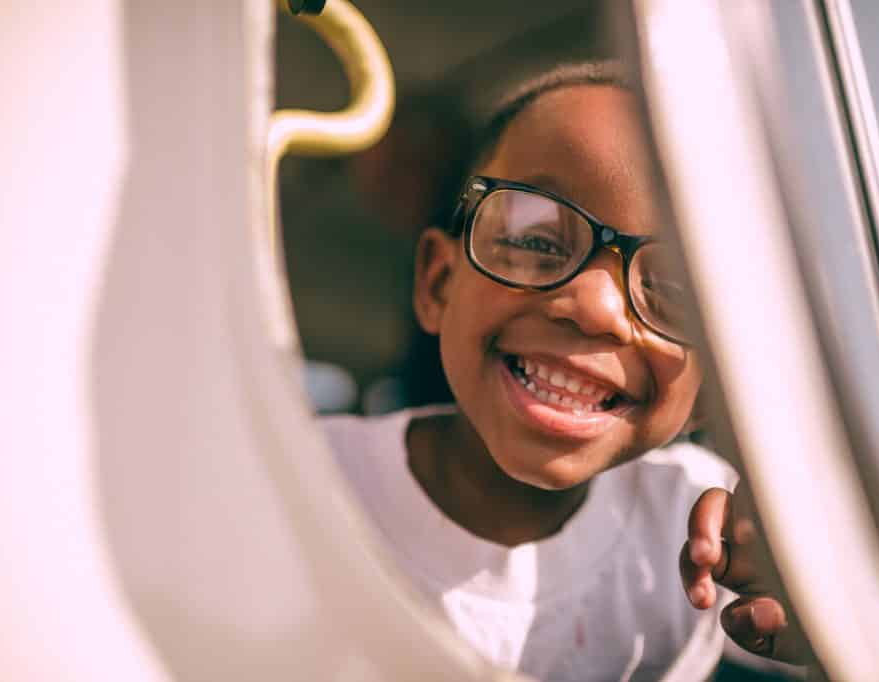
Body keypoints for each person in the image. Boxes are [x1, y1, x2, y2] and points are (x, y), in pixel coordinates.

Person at [322, 62, 808, 681]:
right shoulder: (299, 473)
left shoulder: (697, 538)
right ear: (438, 283)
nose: (596, 308)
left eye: (675, 289)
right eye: (538, 240)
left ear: (717, 387)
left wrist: (822, 600)